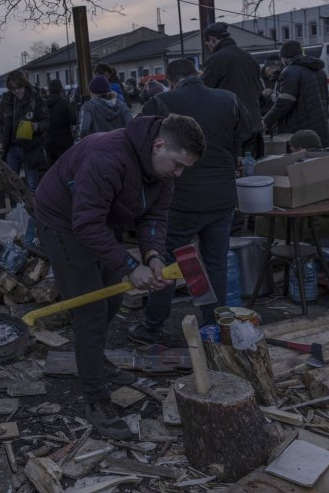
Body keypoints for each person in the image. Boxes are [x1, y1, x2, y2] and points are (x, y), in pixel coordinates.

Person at [34, 114, 205, 439]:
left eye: (185, 168)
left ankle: (95, 360)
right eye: (178, 164)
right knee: (90, 312)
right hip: (63, 221)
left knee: (112, 297)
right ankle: (96, 399)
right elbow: (84, 223)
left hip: (99, 217)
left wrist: (152, 255)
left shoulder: (162, 172)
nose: (179, 173)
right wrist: (130, 266)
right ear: (158, 145)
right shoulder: (107, 157)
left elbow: (155, 215)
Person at [129, 58, 253, 344]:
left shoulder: (162, 102)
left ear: (171, 81)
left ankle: (153, 325)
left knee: (168, 263)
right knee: (215, 262)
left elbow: (142, 142)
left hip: (180, 199)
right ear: (197, 74)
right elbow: (247, 132)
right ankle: (213, 325)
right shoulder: (228, 99)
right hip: (222, 196)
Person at [200, 22, 264, 156]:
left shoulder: (216, 59)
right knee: (251, 168)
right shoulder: (249, 58)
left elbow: (204, 91)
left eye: (207, 44)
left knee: (235, 169)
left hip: (233, 127)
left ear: (212, 39)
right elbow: (259, 90)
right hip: (254, 124)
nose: (208, 48)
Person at [262, 40, 329, 148]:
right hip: (321, 125)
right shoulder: (319, 70)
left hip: (300, 128)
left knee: (300, 161)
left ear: (285, 57)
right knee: (318, 158)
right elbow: (326, 98)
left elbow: (284, 103)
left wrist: (265, 121)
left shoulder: (290, 71)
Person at [0, 70, 50, 192]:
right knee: (12, 183)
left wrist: (36, 126)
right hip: (11, 147)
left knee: (32, 184)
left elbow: (47, 121)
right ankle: (15, 209)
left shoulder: (36, 99)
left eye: (19, 87)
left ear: (24, 84)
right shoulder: (7, 99)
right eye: (13, 88)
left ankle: (33, 209)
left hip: (30, 148)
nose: (16, 91)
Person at [44, 79, 77, 166]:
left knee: (52, 169)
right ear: (61, 89)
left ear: (49, 90)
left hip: (49, 142)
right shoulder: (65, 102)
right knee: (66, 168)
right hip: (65, 142)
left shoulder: (44, 104)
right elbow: (74, 120)